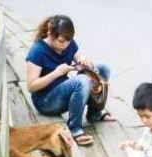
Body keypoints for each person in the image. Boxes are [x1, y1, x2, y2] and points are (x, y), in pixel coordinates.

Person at [25, 15, 114, 147]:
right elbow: (31, 87)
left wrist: (84, 62)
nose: (65, 45)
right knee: (82, 81)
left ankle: (94, 114)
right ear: (50, 35)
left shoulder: (68, 43)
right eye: (61, 41)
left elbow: (79, 58)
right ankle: (75, 129)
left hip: (64, 90)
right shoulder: (37, 51)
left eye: (68, 40)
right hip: (46, 101)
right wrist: (56, 73)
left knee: (102, 68)